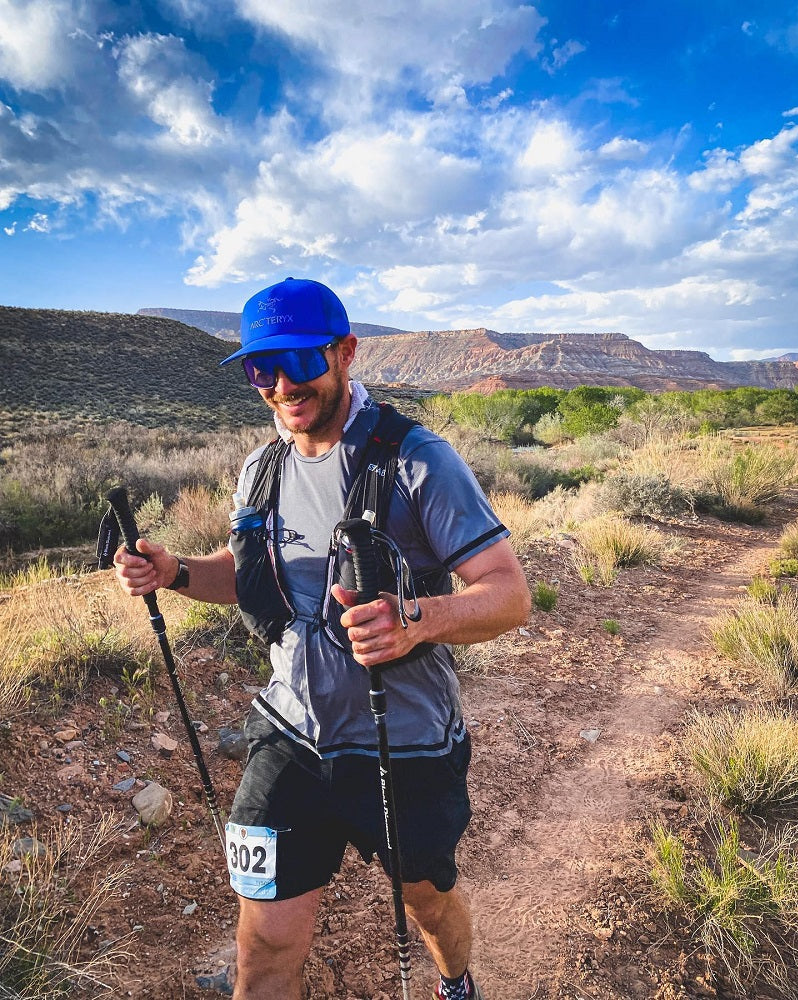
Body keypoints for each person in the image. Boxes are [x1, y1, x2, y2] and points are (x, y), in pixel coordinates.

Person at [114, 277, 531, 1000]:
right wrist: (177, 572)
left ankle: (457, 983)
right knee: (265, 942)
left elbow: (508, 594)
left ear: (345, 352)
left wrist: (415, 621)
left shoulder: (419, 460)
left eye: (299, 361)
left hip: (405, 738)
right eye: (259, 369)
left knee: (425, 903)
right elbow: (253, 579)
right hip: (291, 734)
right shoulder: (260, 468)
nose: (281, 386)